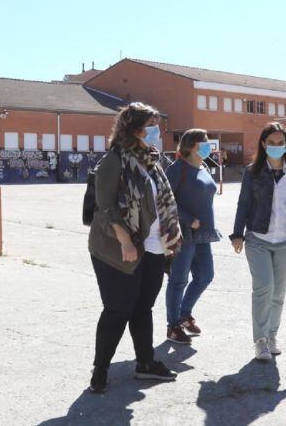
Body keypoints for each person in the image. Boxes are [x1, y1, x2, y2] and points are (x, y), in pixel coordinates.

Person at [86, 102, 183, 393]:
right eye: (152, 125)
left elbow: (161, 201)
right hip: (116, 248)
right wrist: (125, 240)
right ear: (135, 129)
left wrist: (168, 240)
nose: (157, 131)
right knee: (117, 309)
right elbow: (106, 207)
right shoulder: (114, 161)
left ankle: (145, 363)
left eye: (158, 125)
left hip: (153, 247)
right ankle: (100, 369)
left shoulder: (152, 159)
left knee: (143, 308)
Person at [230, 122, 286, 362]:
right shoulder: (252, 172)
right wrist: (238, 233)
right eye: (272, 143)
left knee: (278, 293)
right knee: (263, 288)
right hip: (258, 239)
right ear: (263, 144)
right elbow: (244, 203)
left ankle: (271, 337)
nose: (277, 147)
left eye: (281, 143)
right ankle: (259, 341)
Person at [164, 129, 221, 345]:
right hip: (184, 234)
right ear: (190, 146)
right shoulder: (178, 169)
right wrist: (187, 218)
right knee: (178, 280)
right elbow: (164, 200)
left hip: (204, 235)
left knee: (205, 276)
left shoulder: (204, 167)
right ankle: (173, 326)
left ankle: (184, 314)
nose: (208, 146)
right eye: (203, 143)